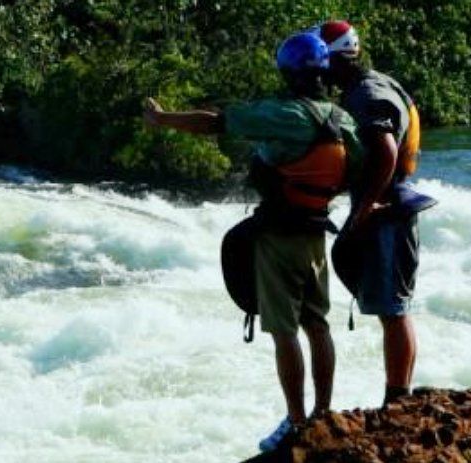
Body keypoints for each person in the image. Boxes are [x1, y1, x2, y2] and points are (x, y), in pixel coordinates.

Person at [144, 33, 365, 452]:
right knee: (318, 325)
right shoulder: (343, 119)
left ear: (289, 72)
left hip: (278, 237)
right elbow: (357, 168)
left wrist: (164, 119)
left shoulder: (284, 114)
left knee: (285, 332)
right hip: (317, 233)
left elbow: (217, 121)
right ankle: (323, 412)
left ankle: (298, 424)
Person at [317, 20, 435, 405]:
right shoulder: (374, 83)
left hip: (387, 210)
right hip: (393, 206)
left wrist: (363, 211)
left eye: (323, 63)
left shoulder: (367, 93)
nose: (321, 73)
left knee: (393, 309)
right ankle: (399, 395)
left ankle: (395, 398)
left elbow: (384, 151)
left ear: (339, 59)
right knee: (396, 310)